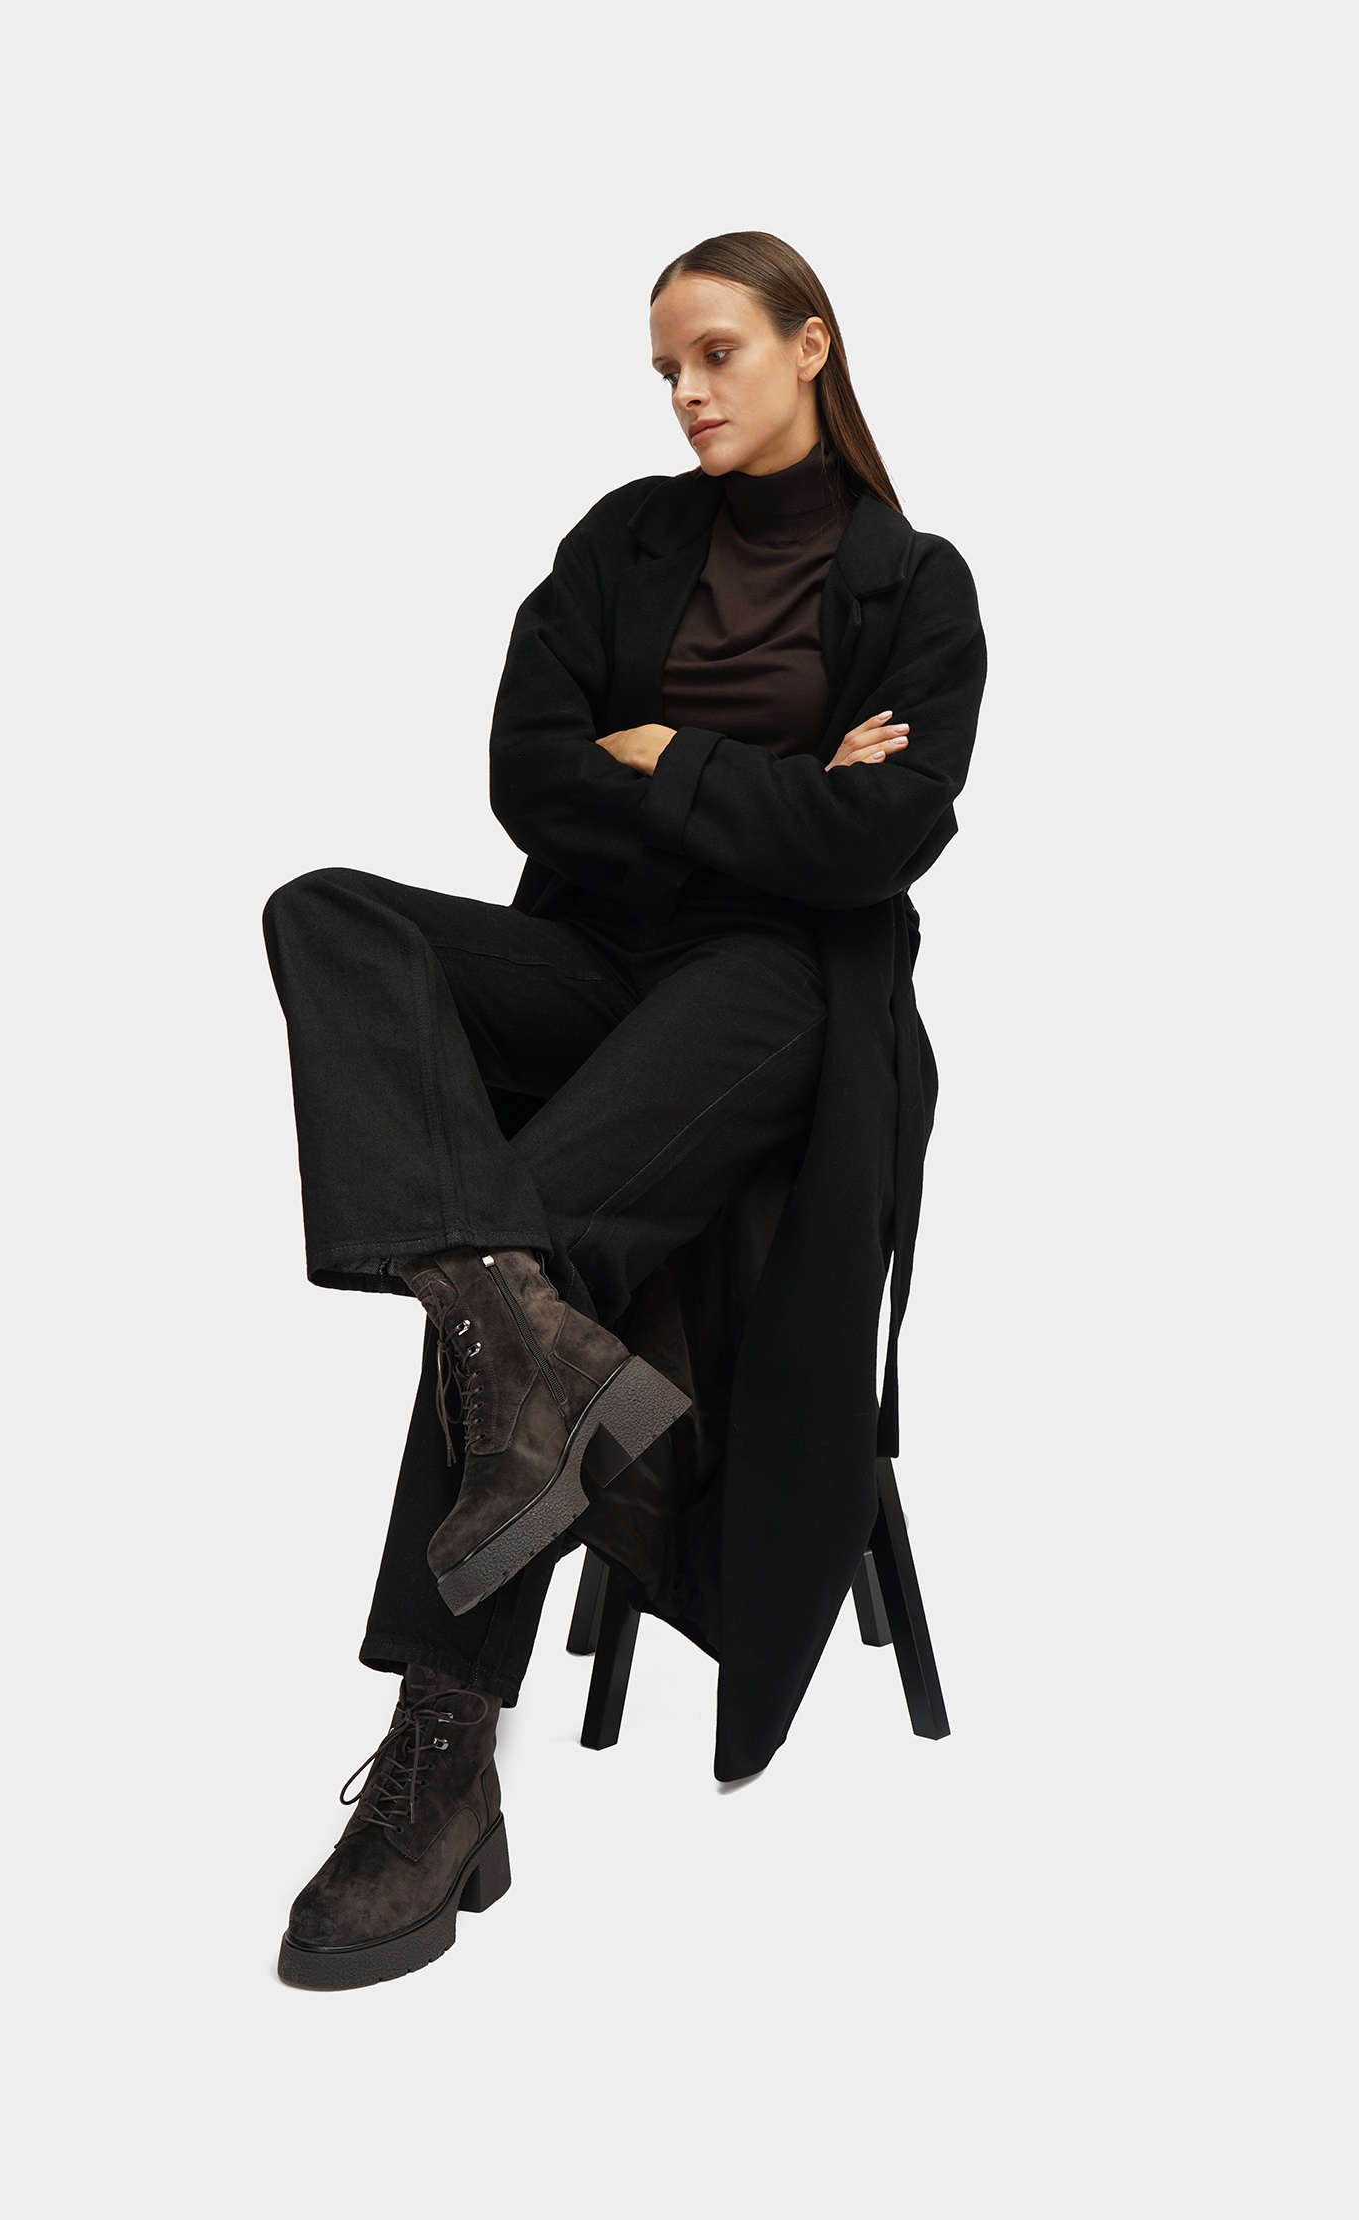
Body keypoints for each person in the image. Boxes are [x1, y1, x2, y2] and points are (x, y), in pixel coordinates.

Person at [262, 231, 986, 1990]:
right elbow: (524, 774)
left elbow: (879, 842)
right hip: (597, 960)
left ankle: (442, 1759)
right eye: (665, 367)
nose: (686, 392)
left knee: (531, 1238)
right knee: (330, 917)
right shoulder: (622, 541)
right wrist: (772, 788)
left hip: (781, 988)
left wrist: (666, 758)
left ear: (810, 346)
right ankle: (514, 1328)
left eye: (716, 352)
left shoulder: (912, 583)